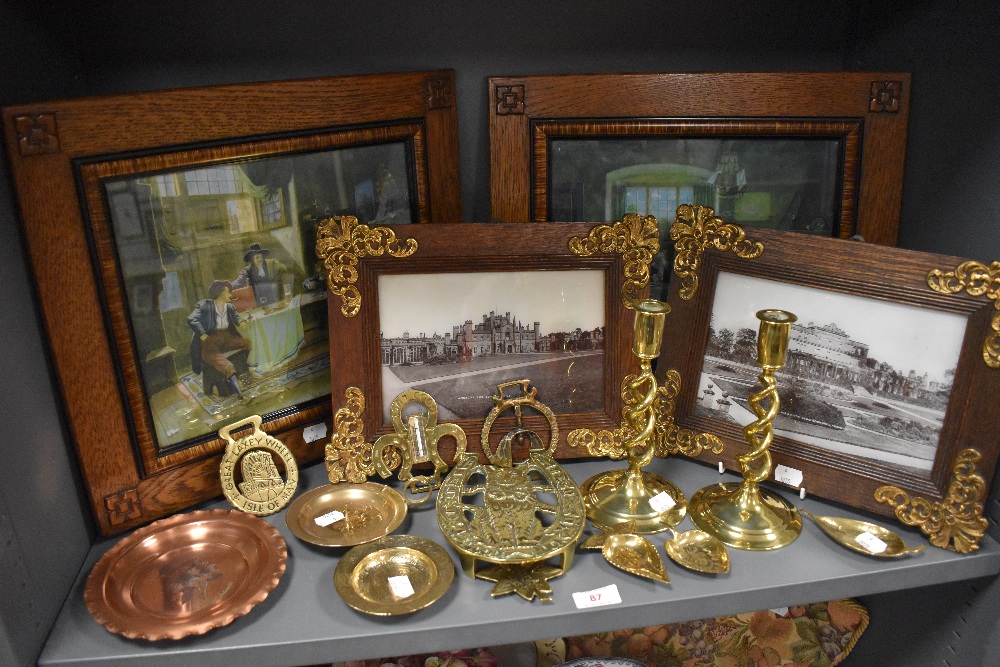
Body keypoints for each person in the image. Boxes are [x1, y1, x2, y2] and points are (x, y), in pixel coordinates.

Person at [187, 280, 252, 396]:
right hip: (210, 340)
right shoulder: (205, 305)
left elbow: (236, 316)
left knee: (248, 343)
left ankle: (244, 371)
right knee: (227, 365)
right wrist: (202, 334)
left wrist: (241, 322)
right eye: (228, 292)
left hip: (227, 337)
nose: (231, 295)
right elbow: (191, 319)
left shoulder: (229, 307)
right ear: (222, 293)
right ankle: (239, 393)